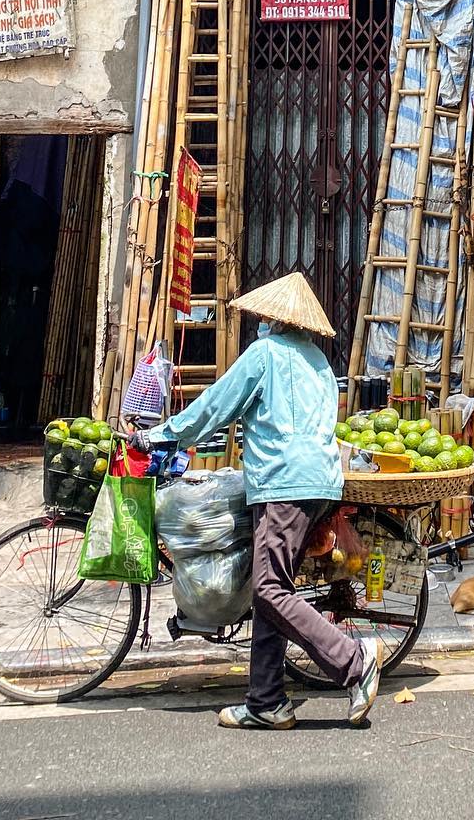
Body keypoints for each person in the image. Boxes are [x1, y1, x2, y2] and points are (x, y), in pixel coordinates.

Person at [135, 271, 379, 730]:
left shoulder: (264, 355)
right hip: (320, 483)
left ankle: (354, 660)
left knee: (267, 589)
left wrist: (160, 436)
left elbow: (214, 407)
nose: (261, 324)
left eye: (263, 318)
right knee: (273, 586)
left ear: (272, 319)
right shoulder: (320, 364)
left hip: (283, 485)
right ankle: (267, 700)